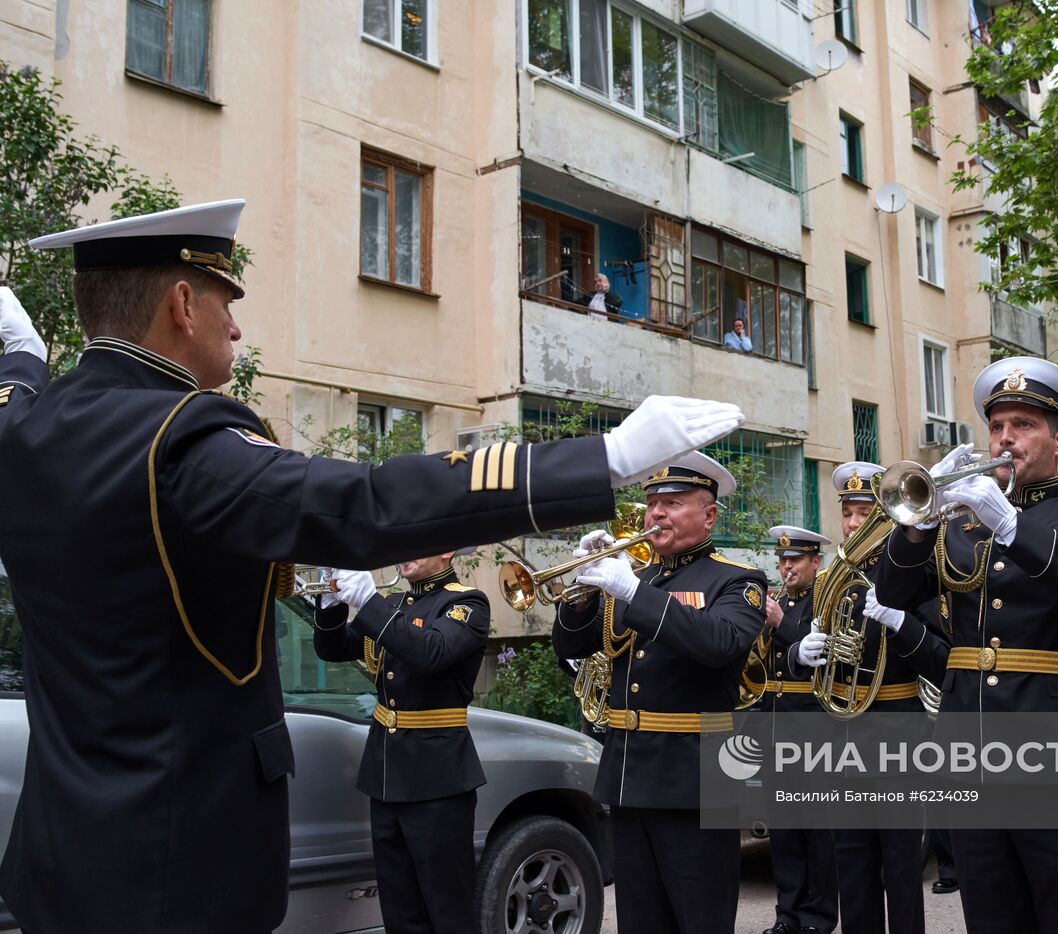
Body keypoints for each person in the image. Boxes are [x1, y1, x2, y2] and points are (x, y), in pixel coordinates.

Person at [0, 199, 745, 934]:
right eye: (227, 301)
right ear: (182, 303)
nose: (234, 324)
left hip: (62, 853)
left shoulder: (29, 428)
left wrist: (23, 357)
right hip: (173, 868)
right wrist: (599, 459)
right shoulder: (178, 439)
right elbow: (363, 503)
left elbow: (18, 395)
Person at [872, 356, 1058, 934]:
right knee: (991, 914)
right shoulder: (960, 527)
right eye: (996, 426)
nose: (1005, 438)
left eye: (1023, 425)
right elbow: (891, 591)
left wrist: (1012, 526)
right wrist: (918, 524)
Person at [552, 451, 767, 934]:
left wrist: (630, 591)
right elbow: (569, 647)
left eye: (672, 502)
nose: (656, 514)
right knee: (640, 920)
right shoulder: (637, 578)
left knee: (700, 918)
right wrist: (582, 589)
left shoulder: (737, 580)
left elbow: (719, 644)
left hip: (695, 779)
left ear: (708, 514)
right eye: (651, 504)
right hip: (629, 773)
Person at [791, 461, 937, 934]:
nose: (853, 524)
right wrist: (804, 650)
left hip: (896, 722)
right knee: (849, 858)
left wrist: (900, 622)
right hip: (841, 727)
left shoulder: (915, 567)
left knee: (899, 858)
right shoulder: (833, 577)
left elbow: (939, 655)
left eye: (862, 511)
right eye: (847, 513)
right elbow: (801, 639)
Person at [311, 550, 488, 934]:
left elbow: (429, 652)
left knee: (447, 911)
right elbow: (333, 648)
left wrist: (368, 603)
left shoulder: (466, 604)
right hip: (387, 776)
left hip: (437, 781)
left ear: (447, 550)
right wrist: (329, 604)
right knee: (400, 912)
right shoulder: (394, 605)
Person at [762, 524, 839, 934]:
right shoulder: (779, 601)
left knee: (817, 828)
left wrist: (780, 625)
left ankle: (818, 917)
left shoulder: (825, 601)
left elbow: (824, 654)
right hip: (776, 725)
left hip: (813, 724)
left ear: (816, 562)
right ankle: (787, 915)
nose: (787, 566)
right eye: (783, 560)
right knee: (785, 830)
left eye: (795, 560)